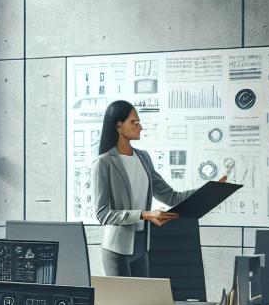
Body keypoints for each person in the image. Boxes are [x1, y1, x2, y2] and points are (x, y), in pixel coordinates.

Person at [93, 100, 221, 277]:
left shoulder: (143, 158)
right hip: (116, 249)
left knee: (143, 304)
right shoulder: (104, 163)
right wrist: (144, 215)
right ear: (118, 125)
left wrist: (209, 190)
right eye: (134, 122)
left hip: (141, 247)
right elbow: (102, 214)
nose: (140, 127)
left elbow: (171, 197)